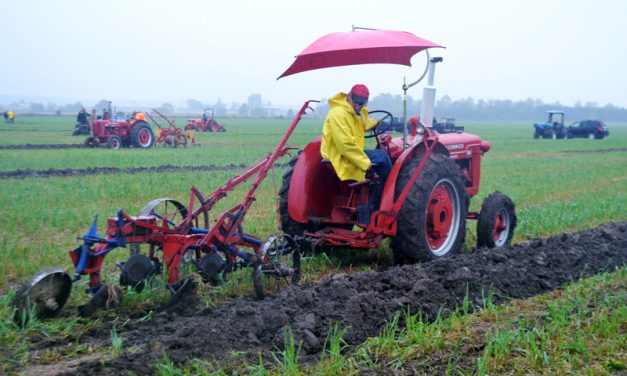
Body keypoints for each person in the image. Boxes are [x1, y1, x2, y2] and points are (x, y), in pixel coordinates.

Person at [320, 84, 392, 210]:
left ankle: (375, 194)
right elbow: (345, 145)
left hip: (348, 152)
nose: (358, 106)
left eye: (362, 104)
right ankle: (381, 204)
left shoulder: (354, 112)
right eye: (356, 103)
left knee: (378, 156)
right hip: (339, 155)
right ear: (349, 96)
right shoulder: (338, 114)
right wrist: (366, 164)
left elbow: (362, 124)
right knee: (383, 157)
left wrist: (376, 122)